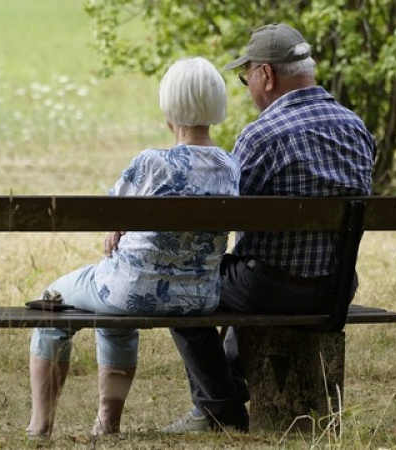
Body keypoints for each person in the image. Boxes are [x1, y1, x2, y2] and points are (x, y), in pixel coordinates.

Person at [162, 23, 377, 433]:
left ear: (266, 75)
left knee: (180, 286)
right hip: (336, 289)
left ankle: (220, 409)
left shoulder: (261, 136)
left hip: (271, 289)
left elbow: (223, 217)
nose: (248, 88)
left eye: (246, 79)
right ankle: (225, 393)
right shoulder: (357, 128)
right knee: (247, 273)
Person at [26, 56, 240, 438]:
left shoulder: (152, 162)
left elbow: (109, 211)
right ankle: (107, 423)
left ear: (169, 107)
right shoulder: (229, 166)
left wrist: (117, 228)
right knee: (112, 311)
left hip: (131, 291)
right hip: (198, 297)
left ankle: (40, 425)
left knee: (52, 300)